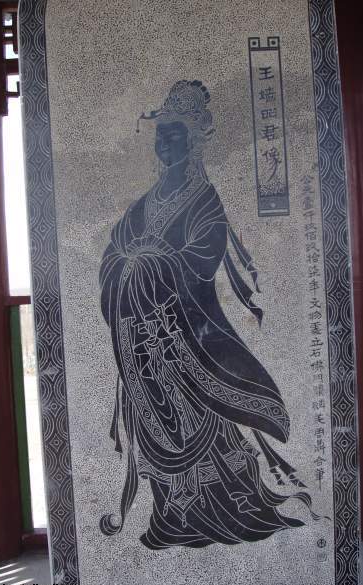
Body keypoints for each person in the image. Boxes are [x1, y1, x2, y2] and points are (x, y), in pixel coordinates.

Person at [99, 80, 319, 550]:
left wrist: (153, 265)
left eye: (174, 134)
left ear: (194, 139)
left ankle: (228, 505)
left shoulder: (204, 201)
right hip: (139, 336)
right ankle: (171, 513)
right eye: (160, 135)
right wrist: (129, 269)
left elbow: (203, 257)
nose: (164, 144)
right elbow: (112, 257)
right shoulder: (142, 207)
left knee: (202, 421)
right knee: (152, 423)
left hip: (185, 336)